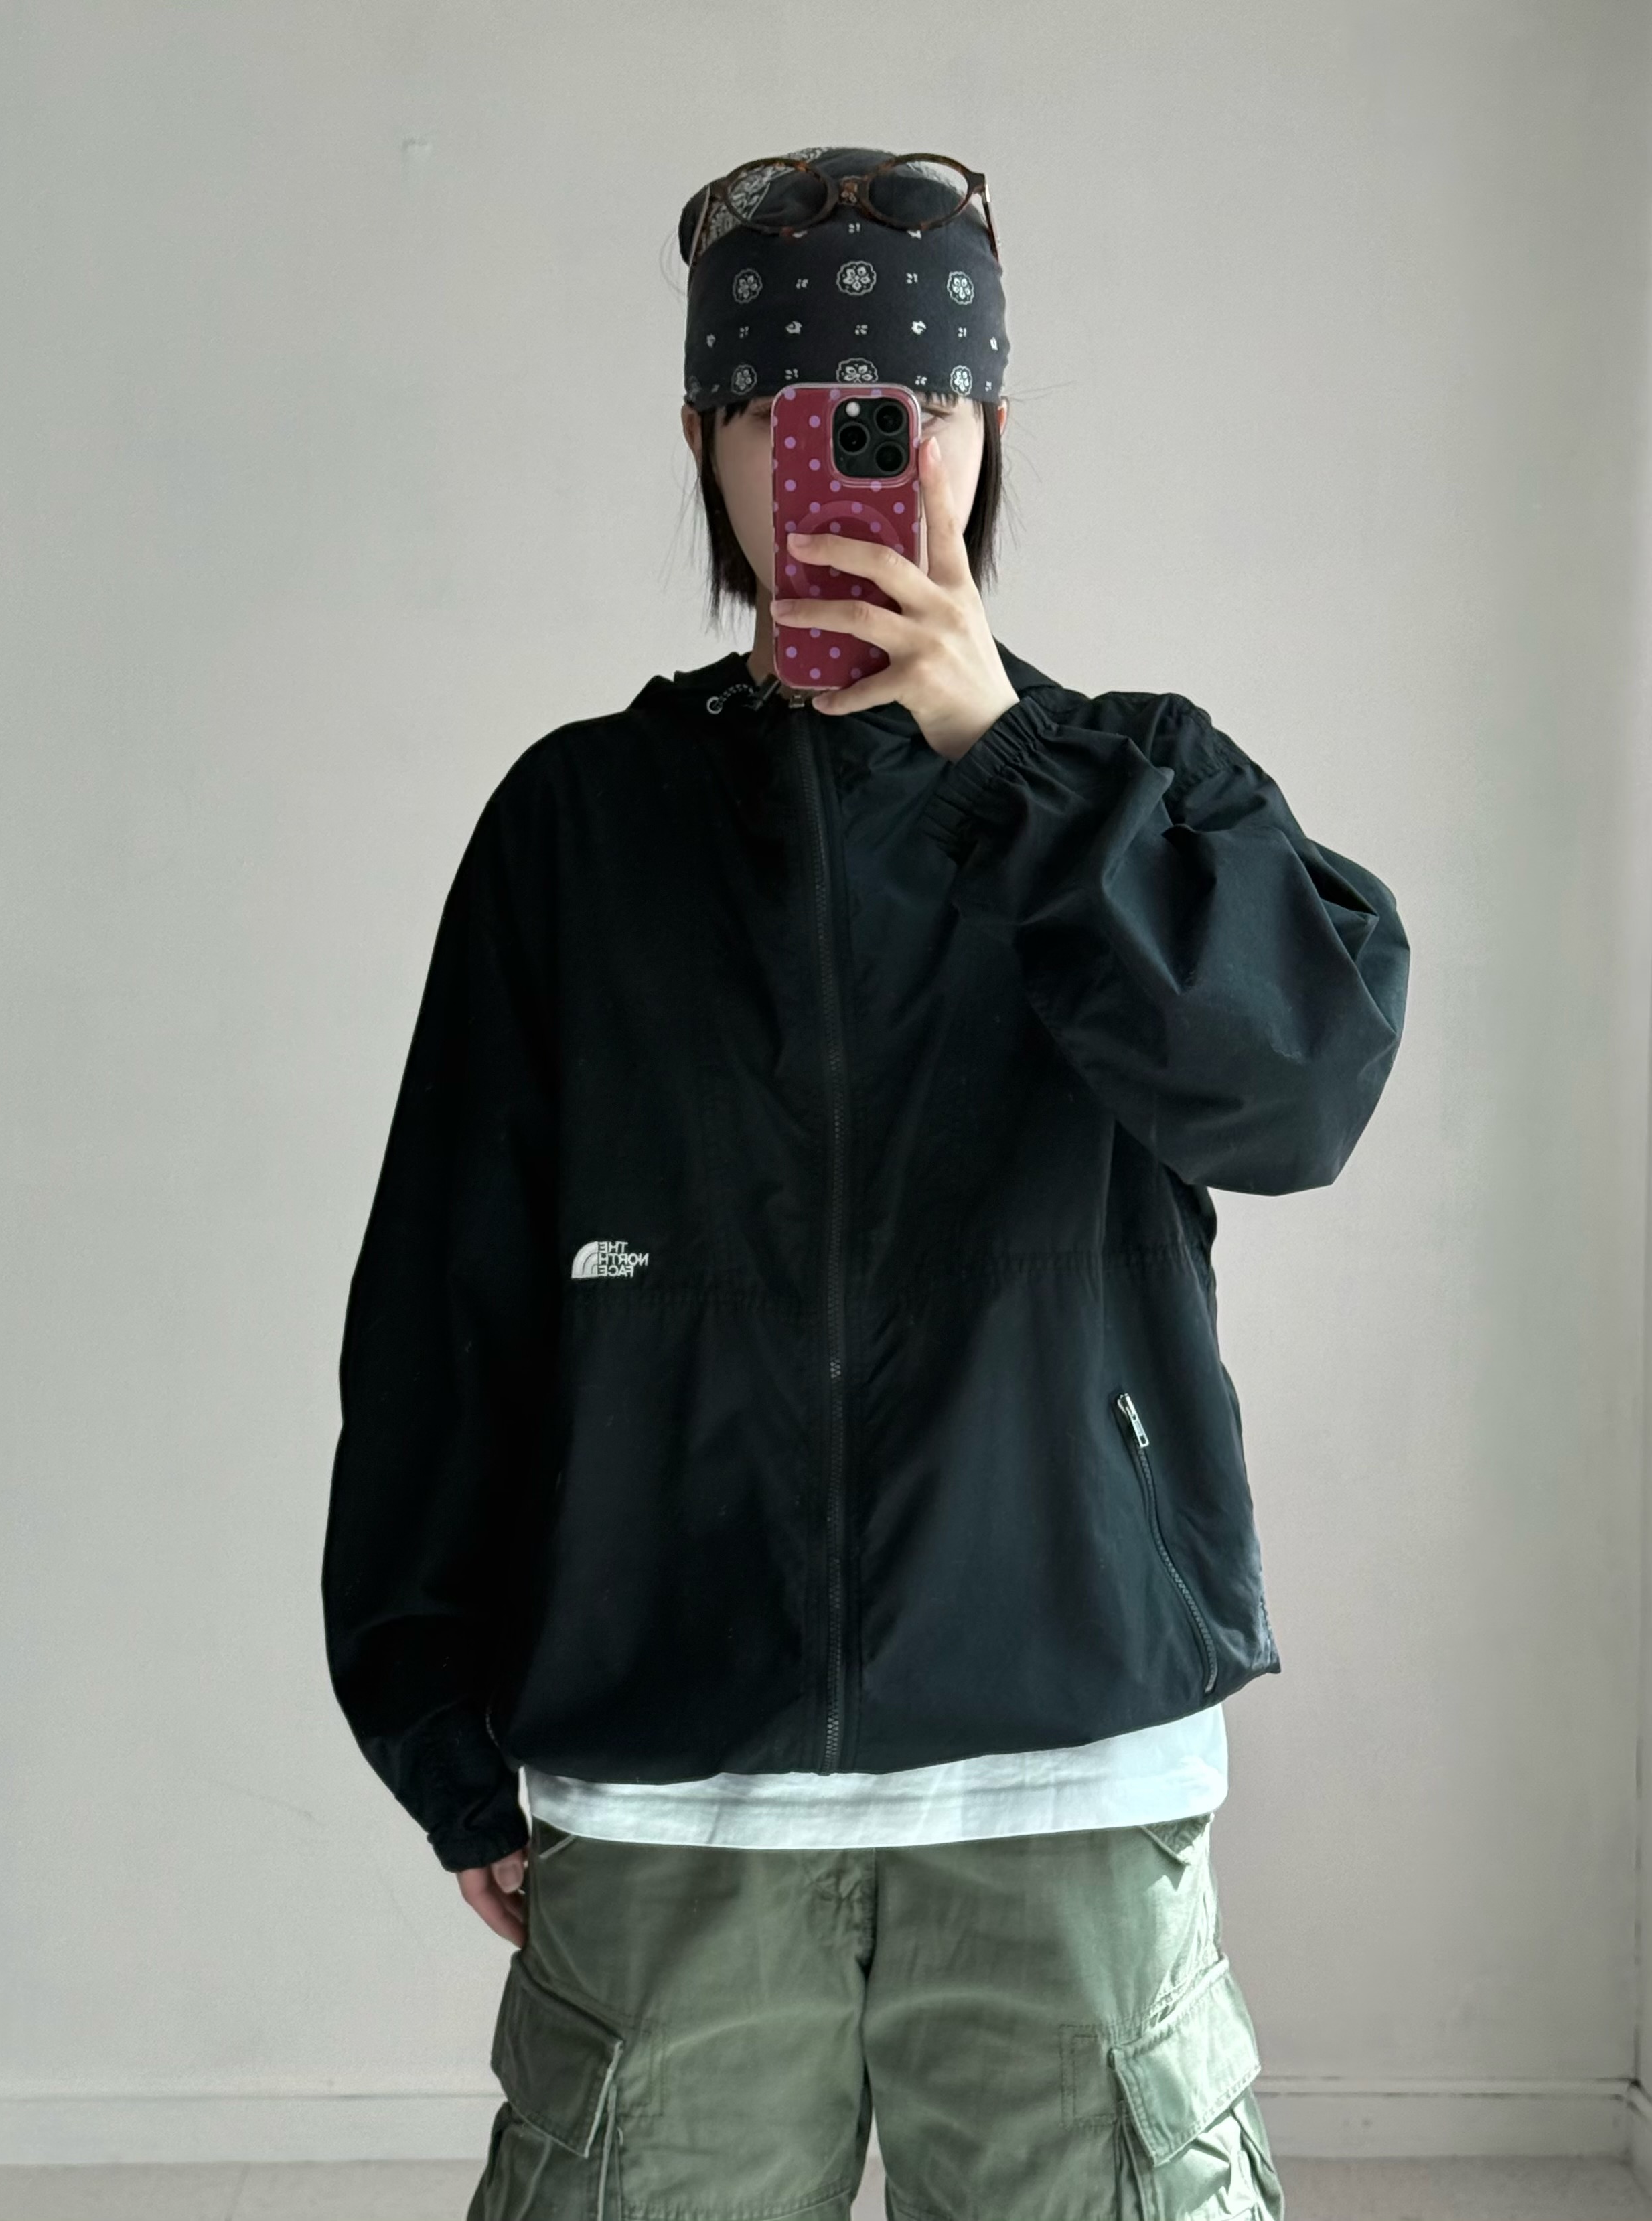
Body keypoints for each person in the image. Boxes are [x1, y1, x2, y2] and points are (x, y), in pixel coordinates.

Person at [321, 146, 1409, 2221]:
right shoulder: (581, 827)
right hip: (674, 1790)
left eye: (894, 413)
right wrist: (436, 1715)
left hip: (1064, 1773)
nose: (830, 461)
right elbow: (447, 1299)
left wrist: (1011, 766)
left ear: (979, 432)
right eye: (774, 409)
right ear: (703, 442)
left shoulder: (1141, 787)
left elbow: (1293, 1100)